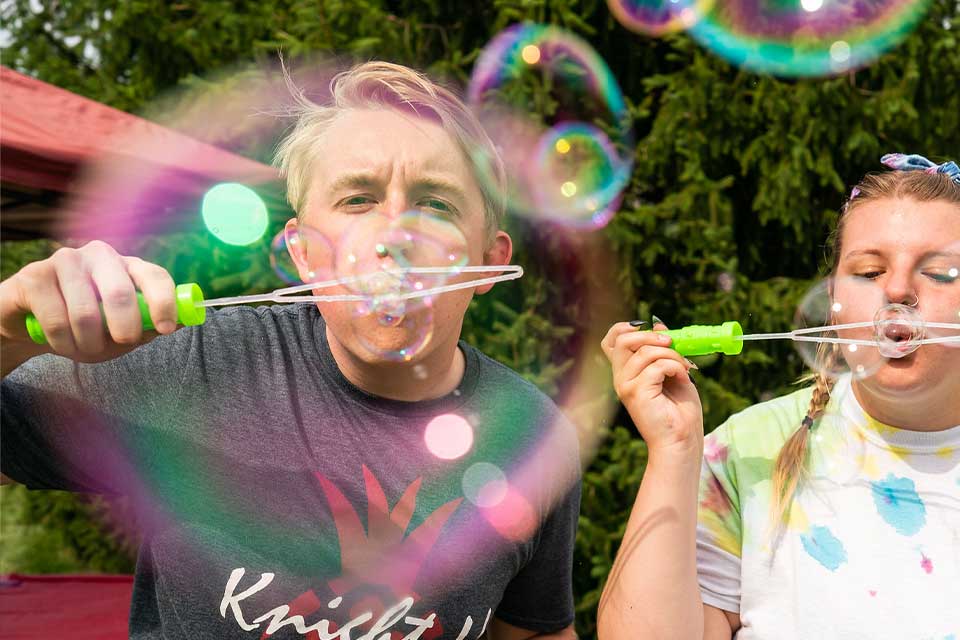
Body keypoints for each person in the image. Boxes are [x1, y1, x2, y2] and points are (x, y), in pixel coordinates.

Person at [0, 62, 580, 640]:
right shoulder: (200, 368)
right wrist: (6, 327)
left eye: (436, 203)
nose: (395, 238)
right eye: (358, 199)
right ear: (303, 254)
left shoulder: (532, 434)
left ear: (489, 262)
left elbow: (532, 631)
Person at [597, 154, 960, 639]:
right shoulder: (751, 451)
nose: (897, 289)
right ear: (835, 301)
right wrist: (673, 451)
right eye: (869, 272)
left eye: (939, 273)